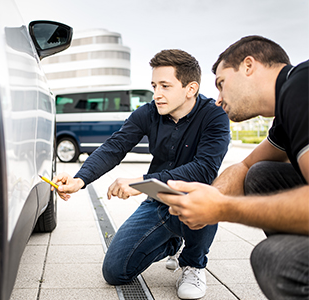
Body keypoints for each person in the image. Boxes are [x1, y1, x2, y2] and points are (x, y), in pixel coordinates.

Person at [52, 49, 230, 299]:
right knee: (115, 272)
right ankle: (171, 242)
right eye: (154, 85)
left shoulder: (214, 116)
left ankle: (193, 263)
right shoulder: (148, 113)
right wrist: (80, 179)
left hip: (195, 196)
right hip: (157, 196)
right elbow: (115, 147)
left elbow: (204, 168)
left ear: (190, 88)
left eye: (165, 86)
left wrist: (142, 183)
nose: (157, 94)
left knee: (209, 195)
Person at [158, 36, 309, 300]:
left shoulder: (301, 88)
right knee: (261, 174)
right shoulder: (289, 102)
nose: (218, 99)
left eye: (221, 84)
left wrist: (223, 209)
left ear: (249, 66)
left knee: (274, 259)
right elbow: (247, 165)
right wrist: (211, 198)